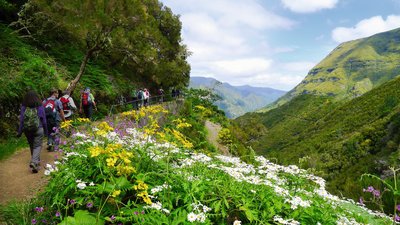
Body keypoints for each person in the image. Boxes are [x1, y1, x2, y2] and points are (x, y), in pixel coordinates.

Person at [17, 90, 48, 173]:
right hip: (39, 128)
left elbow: (22, 120)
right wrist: (46, 131)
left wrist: (19, 131)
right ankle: (34, 162)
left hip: (27, 130)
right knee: (37, 146)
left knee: (32, 145)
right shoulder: (39, 105)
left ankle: (36, 164)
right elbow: (43, 119)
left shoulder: (24, 106)